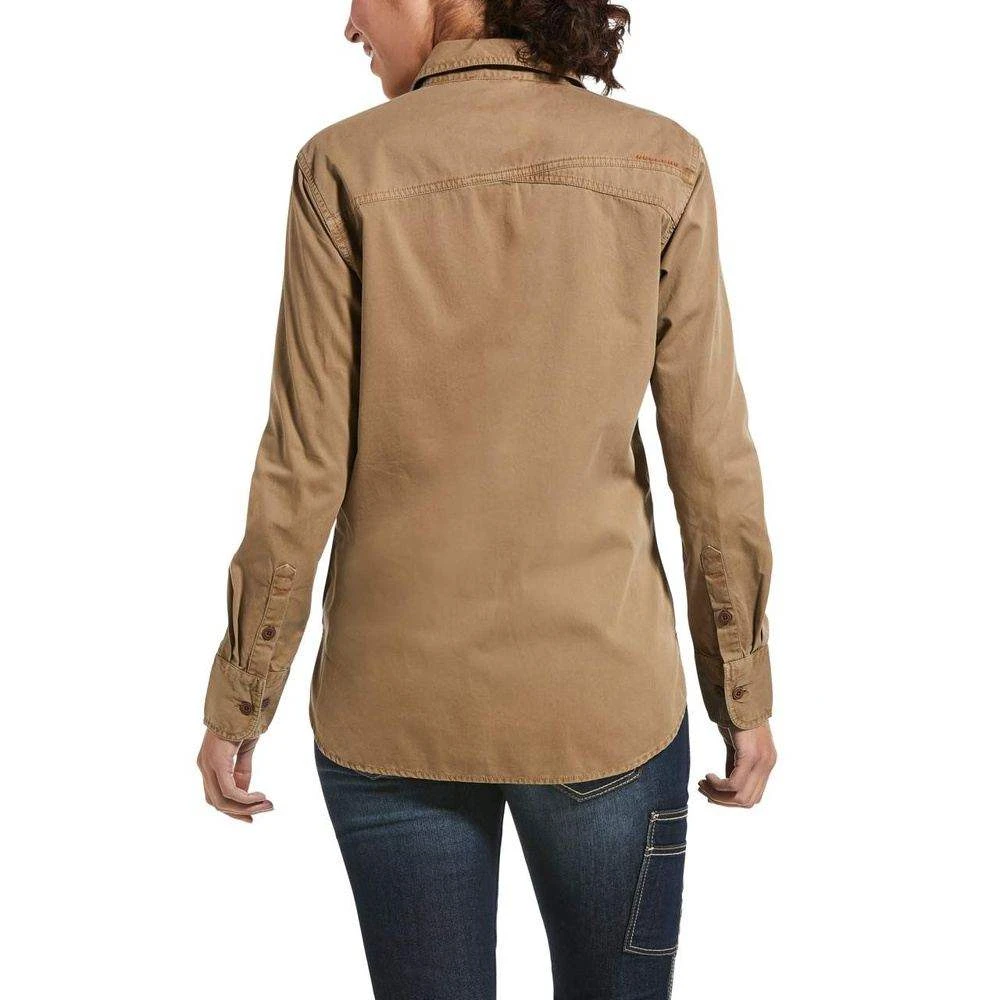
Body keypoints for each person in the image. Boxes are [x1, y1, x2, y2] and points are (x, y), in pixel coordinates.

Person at [196, 1, 777, 996]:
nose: (349, 24)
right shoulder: (660, 163)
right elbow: (710, 457)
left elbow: (301, 467)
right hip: (603, 704)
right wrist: (743, 693)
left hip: (392, 710)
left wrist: (243, 696)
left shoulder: (343, 168)